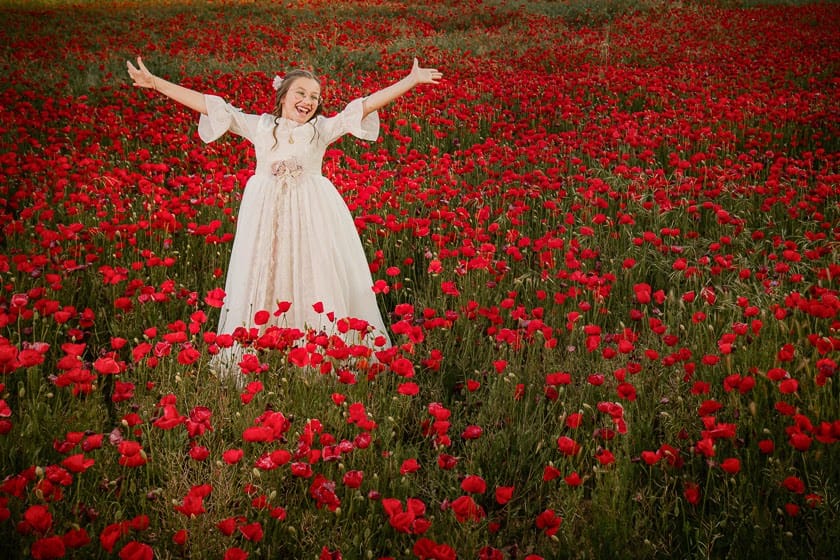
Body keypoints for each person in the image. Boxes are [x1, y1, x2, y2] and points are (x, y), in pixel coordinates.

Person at [126, 56, 442, 378]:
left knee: (312, 273)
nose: (308, 101)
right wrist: (156, 83)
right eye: (301, 94)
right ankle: (260, 349)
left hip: (311, 215)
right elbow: (211, 106)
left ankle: (315, 353)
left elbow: (362, 107)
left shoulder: (320, 130)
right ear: (283, 97)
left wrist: (410, 80)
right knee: (264, 272)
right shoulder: (261, 126)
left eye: (314, 97)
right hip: (267, 217)